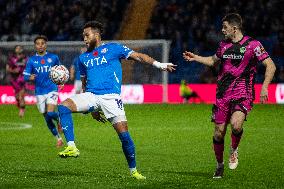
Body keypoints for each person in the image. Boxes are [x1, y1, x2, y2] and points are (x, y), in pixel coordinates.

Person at [57, 21, 176, 180]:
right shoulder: (82, 58)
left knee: (124, 137)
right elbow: (85, 83)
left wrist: (159, 64)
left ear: (97, 34)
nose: (84, 39)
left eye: (87, 35)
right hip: (91, 96)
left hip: (111, 98)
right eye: (83, 36)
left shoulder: (114, 48)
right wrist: (91, 110)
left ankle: (133, 171)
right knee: (63, 107)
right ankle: (71, 146)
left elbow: (138, 56)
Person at [183, 13, 276, 179]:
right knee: (218, 133)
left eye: (225, 27)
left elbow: (271, 65)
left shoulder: (253, 45)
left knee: (236, 125)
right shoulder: (223, 45)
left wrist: (265, 88)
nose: (222, 30)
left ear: (234, 28)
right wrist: (195, 57)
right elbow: (212, 61)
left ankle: (234, 150)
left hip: (243, 93)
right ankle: (219, 165)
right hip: (222, 95)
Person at [23, 35, 64, 148]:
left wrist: (61, 82)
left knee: (51, 113)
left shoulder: (53, 57)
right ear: (35, 46)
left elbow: (61, 71)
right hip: (39, 92)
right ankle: (58, 139)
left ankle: (60, 120)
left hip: (52, 89)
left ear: (46, 45)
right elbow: (25, 76)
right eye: (38, 43)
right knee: (47, 118)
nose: (40, 45)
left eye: (42, 43)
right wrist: (29, 77)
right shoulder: (31, 60)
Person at [6, 45, 28, 117]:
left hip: (23, 79)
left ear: (22, 49)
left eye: (20, 48)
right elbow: (7, 69)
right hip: (14, 80)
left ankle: (22, 111)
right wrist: (13, 71)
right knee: (17, 97)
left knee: (21, 95)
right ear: (15, 50)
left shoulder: (25, 58)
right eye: (17, 48)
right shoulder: (11, 58)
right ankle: (19, 104)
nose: (18, 49)